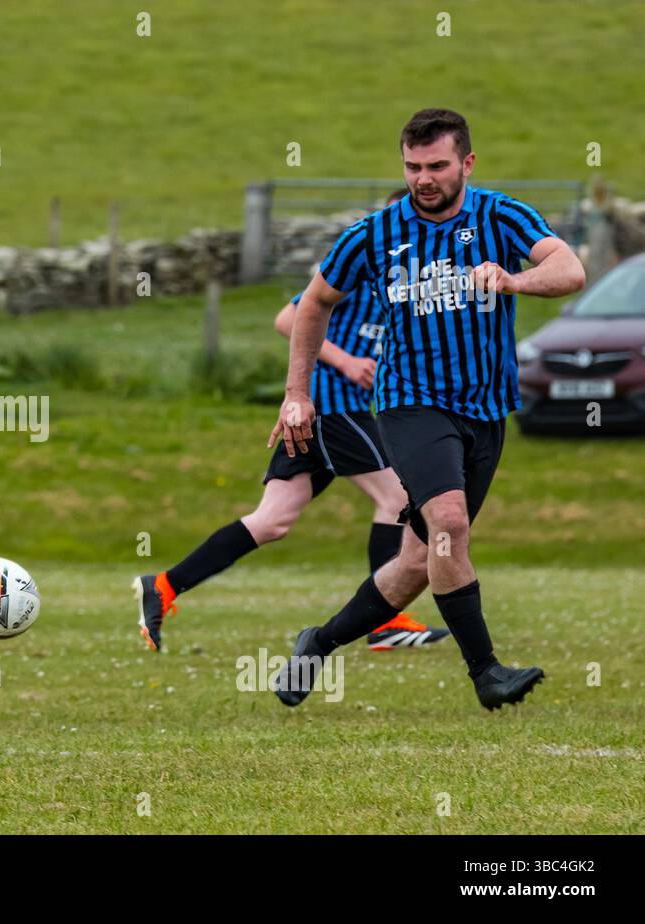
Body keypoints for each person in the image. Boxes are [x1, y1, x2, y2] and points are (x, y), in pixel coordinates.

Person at [268, 108, 585, 710]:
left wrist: (513, 281)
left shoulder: (501, 215)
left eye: (437, 165)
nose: (424, 178)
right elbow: (311, 306)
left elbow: (569, 269)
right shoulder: (374, 234)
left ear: (466, 163)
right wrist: (297, 394)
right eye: (413, 167)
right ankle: (487, 673)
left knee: (420, 558)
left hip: (486, 410)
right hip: (409, 405)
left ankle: (318, 641)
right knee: (450, 523)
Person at [134, 196, 449, 654]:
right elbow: (288, 318)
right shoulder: (363, 263)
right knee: (398, 498)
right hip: (332, 407)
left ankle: (162, 585)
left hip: (330, 413)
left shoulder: (415, 278)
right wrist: (345, 362)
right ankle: (387, 620)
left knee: (271, 522)